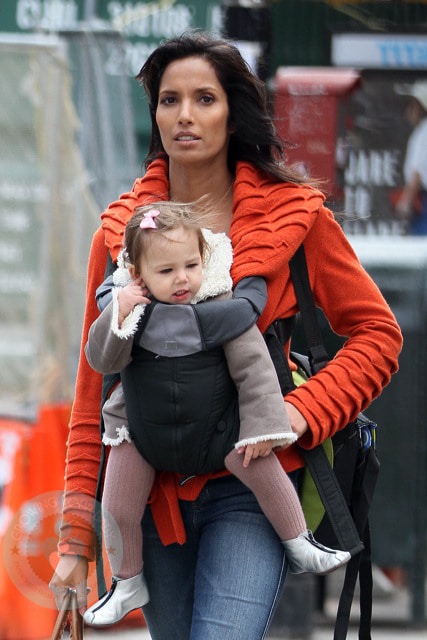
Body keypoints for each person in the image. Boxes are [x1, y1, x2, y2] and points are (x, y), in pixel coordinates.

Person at [50, 31, 402, 640]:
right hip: (151, 500)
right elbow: (93, 393)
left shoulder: (298, 217)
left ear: (233, 111)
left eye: (204, 99)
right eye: (168, 100)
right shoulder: (120, 236)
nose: (184, 115)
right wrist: (76, 537)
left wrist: (296, 415)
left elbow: (378, 334)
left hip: (254, 489)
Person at [82, 200, 351, 627]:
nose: (182, 279)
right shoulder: (131, 307)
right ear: (139, 276)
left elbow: (255, 369)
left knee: (261, 465)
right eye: (166, 271)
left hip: (221, 429)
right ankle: (126, 580)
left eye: (190, 265)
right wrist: (121, 308)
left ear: (205, 259)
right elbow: (100, 361)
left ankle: (299, 540)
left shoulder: (224, 304)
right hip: (142, 432)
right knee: (118, 502)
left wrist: (268, 425)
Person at [395, 80, 427, 235]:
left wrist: (405, 202)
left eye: (413, 105)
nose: (409, 110)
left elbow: (418, 172)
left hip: (423, 200)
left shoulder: (424, 132)